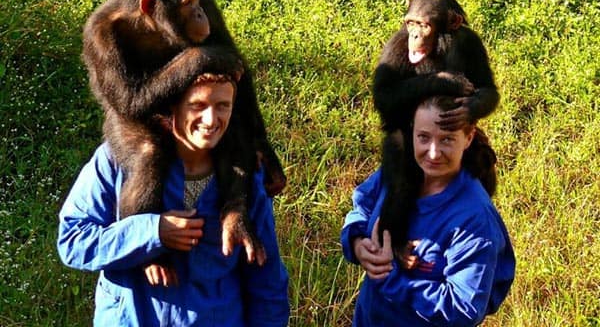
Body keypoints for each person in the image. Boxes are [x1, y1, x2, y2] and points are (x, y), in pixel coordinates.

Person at [57, 73, 290, 326]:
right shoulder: (117, 161)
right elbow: (73, 240)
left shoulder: (245, 177)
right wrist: (151, 232)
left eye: (223, 105)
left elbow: (266, 281)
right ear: (172, 106)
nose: (211, 120)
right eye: (198, 105)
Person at [341, 95, 515, 326]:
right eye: (424, 137)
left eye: (447, 139)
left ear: (468, 137)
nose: (433, 153)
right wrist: (357, 241)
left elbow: (463, 309)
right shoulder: (399, 169)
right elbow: (363, 202)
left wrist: (390, 279)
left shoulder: (474, 220)